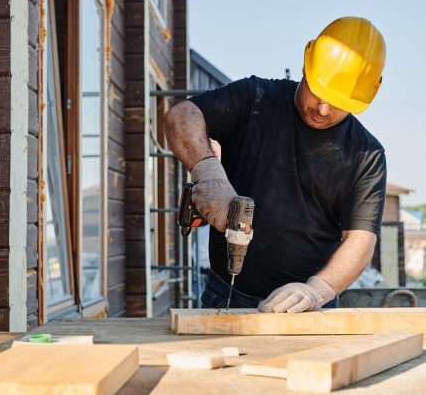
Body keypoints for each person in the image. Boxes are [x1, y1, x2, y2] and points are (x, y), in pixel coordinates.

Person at [164, 17, 387, 313]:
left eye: (338, 102)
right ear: (306, 66)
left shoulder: (366, 154)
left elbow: (360, 242)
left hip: (309, 307)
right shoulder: (255, 99)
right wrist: (207, 172)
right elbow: (182, 115)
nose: (323, 109)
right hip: (227, 295)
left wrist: (317, 290)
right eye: (318, 92)